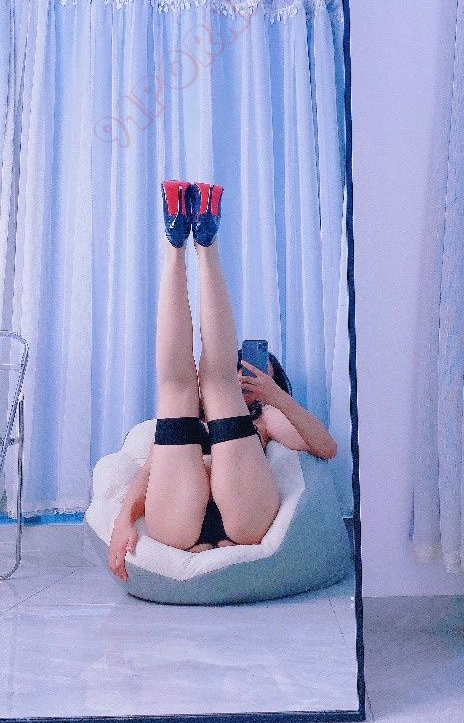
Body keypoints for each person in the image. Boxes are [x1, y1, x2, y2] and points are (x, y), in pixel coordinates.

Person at [108, 180, 338, 581]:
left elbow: (327, 448)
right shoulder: (194, 415)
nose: (246, 375)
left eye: (257, 372)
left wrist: (277, 397)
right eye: (241, 368)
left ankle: (182, 244)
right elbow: (147, 475)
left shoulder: (266, 419)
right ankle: (195, 242)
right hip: (181, 515)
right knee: (189, 389)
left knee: (200, 387)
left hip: (243, 515)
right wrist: (122, 522)